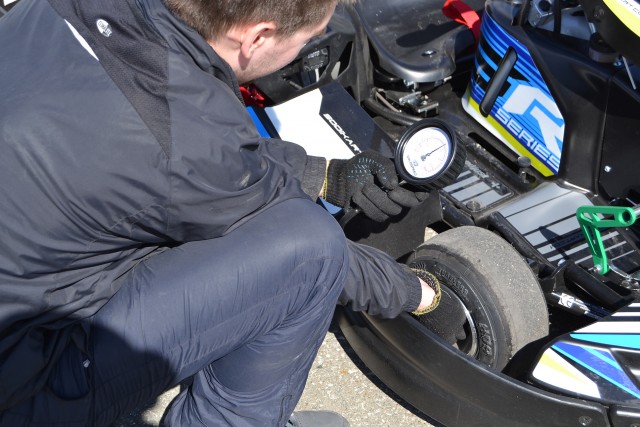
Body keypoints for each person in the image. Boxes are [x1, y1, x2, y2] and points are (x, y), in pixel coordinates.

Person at [0, 0, 440, 426]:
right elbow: (302, 257)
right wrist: (417, 293)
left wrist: (326, 177)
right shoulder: (192, 148)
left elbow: (179, 137)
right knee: (313, 248)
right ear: (258, 36)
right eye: (310, 37)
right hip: (24, 387)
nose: (311, 44)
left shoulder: (64, 7)